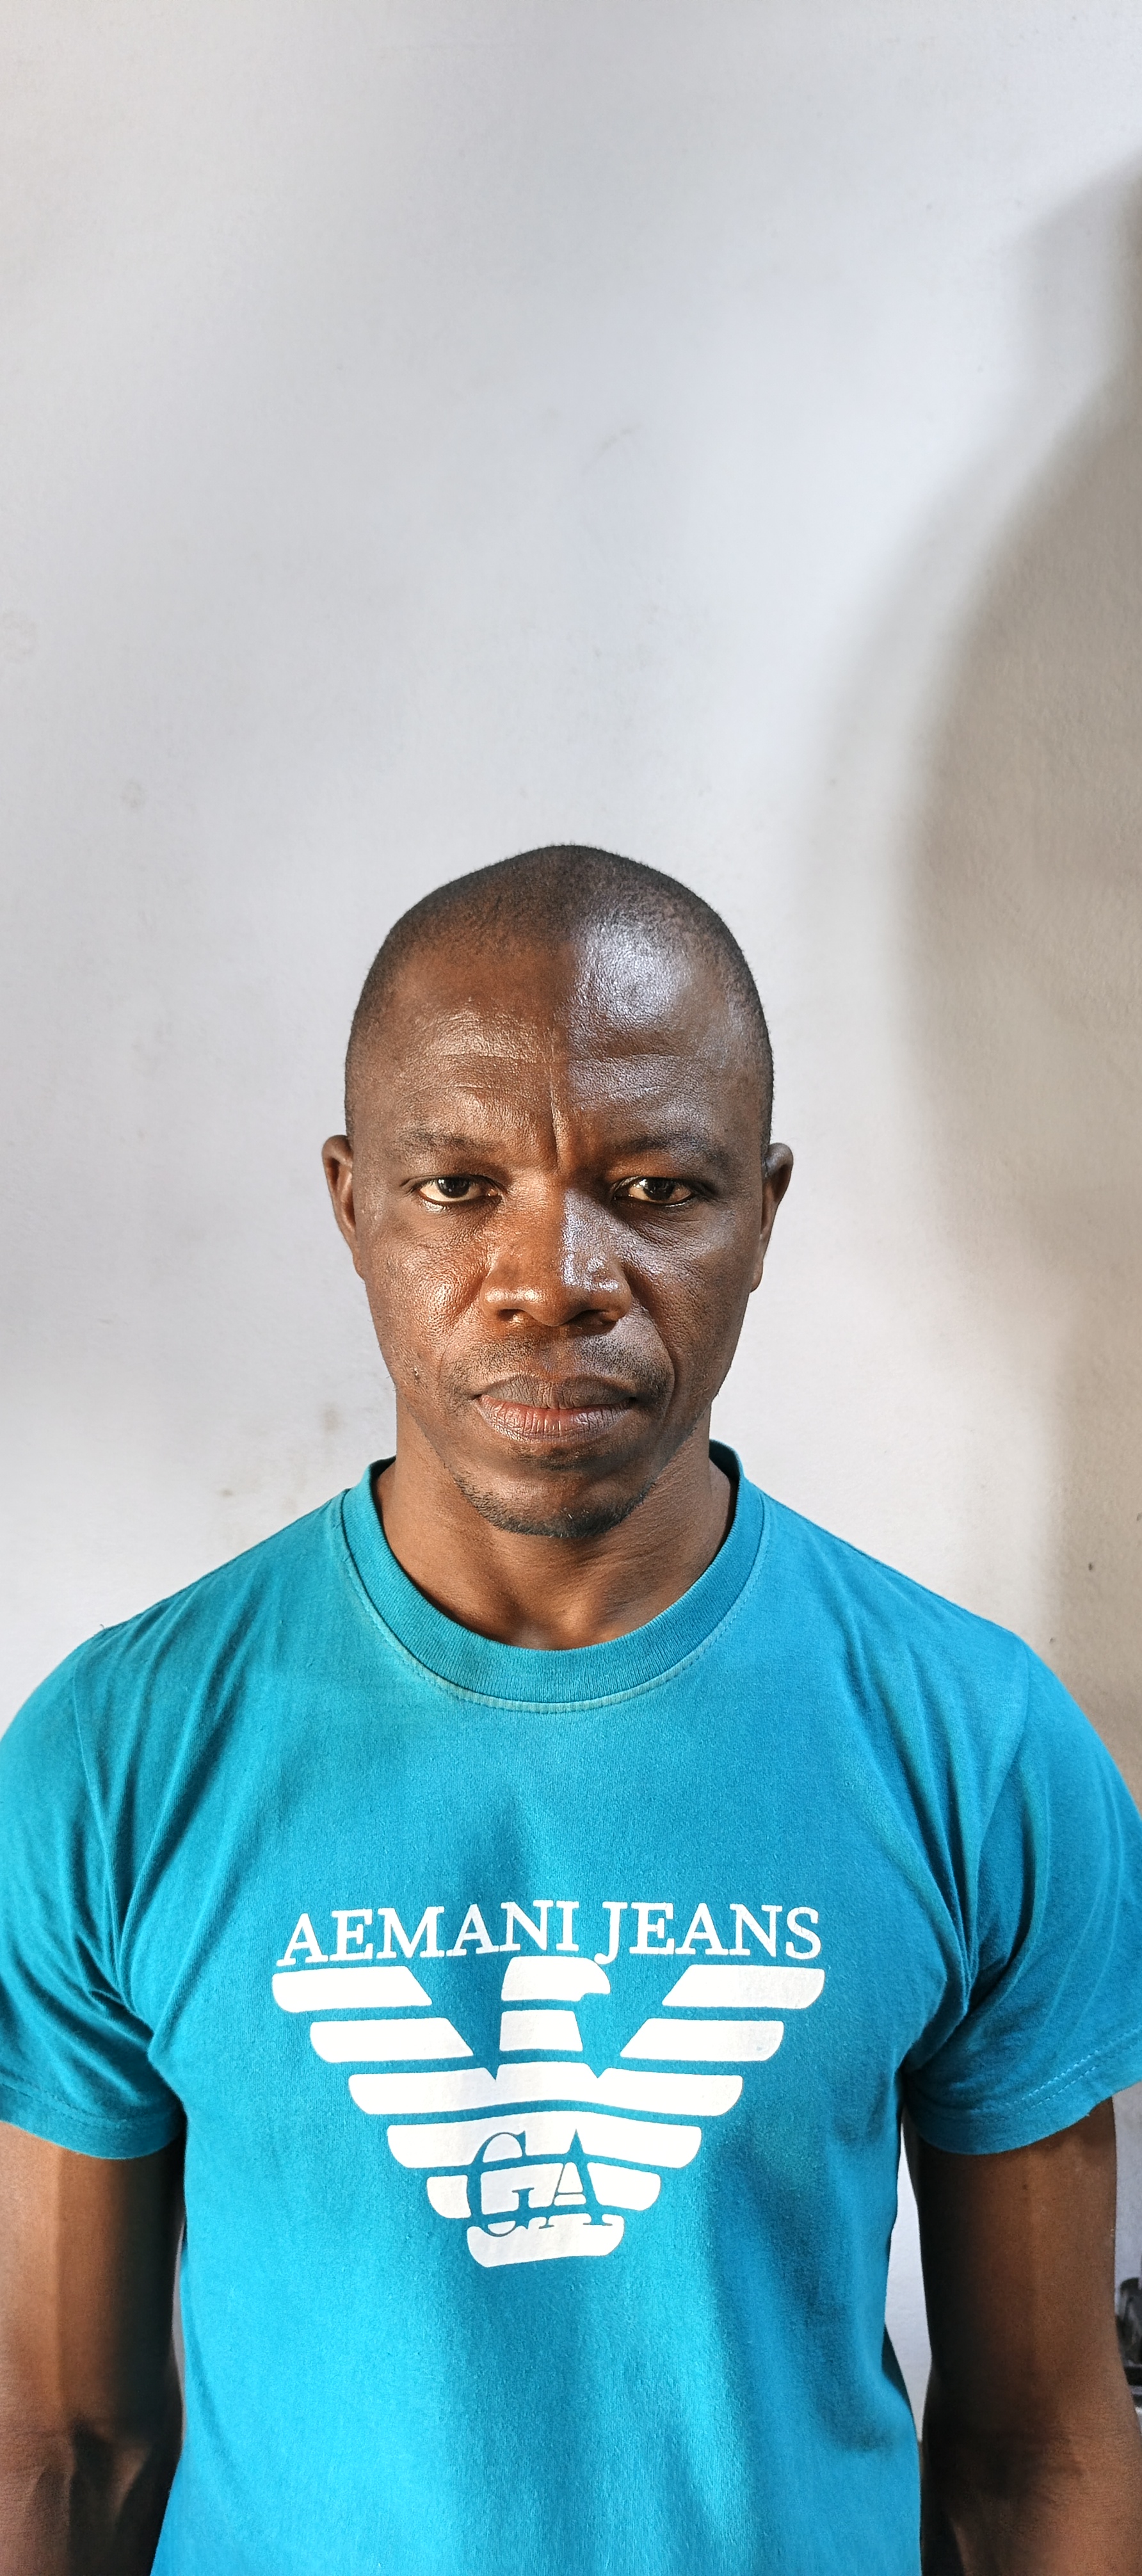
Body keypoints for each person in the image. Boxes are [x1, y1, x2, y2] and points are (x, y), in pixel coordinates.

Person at [1, 845, 1141, 2576]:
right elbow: (61, 2446)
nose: (555, 1276)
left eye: (657, 1188)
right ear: (352, 1205)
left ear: (763, 1211)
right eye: (461, 1187)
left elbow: (1040, 2446)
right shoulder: (115, 1755)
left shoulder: (976, 1747)